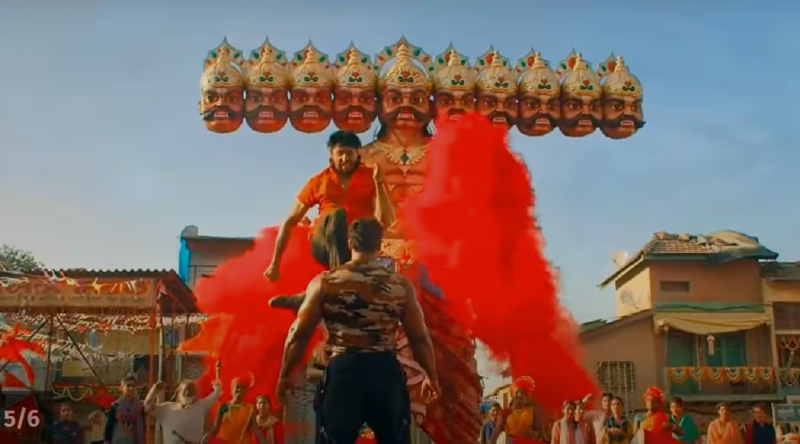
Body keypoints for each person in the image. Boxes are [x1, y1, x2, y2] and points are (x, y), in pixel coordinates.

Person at [276, 218, 440, 444]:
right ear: (379, 244)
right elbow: (419, 337)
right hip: (384, 373)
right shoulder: (400, 285)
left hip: (344, 373)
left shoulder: (325, 282)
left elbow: (298, 335)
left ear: (350, 243)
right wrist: (431, 376)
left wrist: (285, 375)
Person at [263, 131, 394, 298]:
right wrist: (275, 264)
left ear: (358, 154)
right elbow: (290, 221)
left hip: (358, 244)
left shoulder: (371, 177)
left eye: (349, 153)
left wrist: (379, 183)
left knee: (366, 229)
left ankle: (337, 286)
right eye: (340, 154)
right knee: (337, 216)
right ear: (332, 154)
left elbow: (386, 221)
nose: (345, 159)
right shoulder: (318, 181)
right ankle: (340, 283)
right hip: (323, 243)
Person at [144, 379, 222, 444]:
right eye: (185, 390)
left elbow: (214, 396)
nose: (188, 393)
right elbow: (147, 407)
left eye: (191, 390)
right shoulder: (167, 408)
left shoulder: (201, 406)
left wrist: (217, 387)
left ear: (195, 393)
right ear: (178, 393)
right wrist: (154, 390)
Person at [206, 378, 262, 444]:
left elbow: (256, 432)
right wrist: (206, 437)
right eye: (237, 387)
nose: (239, 390)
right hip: (222, 441)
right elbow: (216, 428)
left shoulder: (250, 409)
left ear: (245, 392)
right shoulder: (224, 406)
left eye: (242, 388)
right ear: (231, 390)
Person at [490, 377, 543, 443]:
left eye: (522, 393)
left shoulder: (533, 411)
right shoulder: (505, 412)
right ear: (513, 395)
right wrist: (491, 442)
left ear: (527, 398)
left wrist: (532, 434)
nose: (519, 395)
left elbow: (539, 432)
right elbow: (497, 430)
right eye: (517, 392)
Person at [105, 375, 145, 444]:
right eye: (128, 385)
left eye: (133, 386)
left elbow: (143, 427)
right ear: (121, 388)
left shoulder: (139, 407)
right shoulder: (115, 406)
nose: (131, 388)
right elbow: (109, 427)